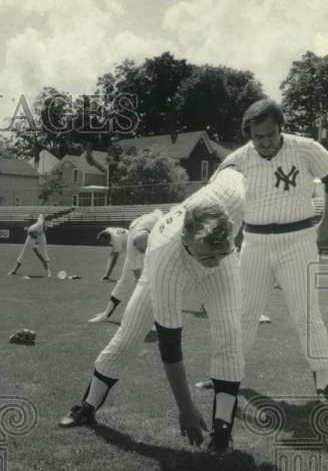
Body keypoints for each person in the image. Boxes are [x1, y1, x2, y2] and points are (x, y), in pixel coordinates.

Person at [59, 169, 246, 454]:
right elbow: (170, 345)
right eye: (209, 256)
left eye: (222, 251)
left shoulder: (232, 196)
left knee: (229, 335)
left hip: (216, 249)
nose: (215, 262)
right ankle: (88, 405)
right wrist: (185, 407)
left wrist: (229, 247)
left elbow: (237, 168)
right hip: (167, 265)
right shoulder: (165, 259)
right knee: (128, 337)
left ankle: (222, 431)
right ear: (186, 239)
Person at [210, 98, 328, 401]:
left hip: (298, 240)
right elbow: (216, 196)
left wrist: (327, 222)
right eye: (259, 136)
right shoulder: (236, 160)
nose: (266, 141)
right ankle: (227, 377)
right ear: (249, 134)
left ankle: (324, 384)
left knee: (306, 314)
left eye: (271, 133)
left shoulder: (304, 147)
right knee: (243, 314)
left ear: (281, 128)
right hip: (254, 243)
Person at [88, 209, 163, 323]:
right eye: (143, 250)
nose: (144, 253)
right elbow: (140, 280)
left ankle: (156, 318)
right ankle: (106, 314)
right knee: (126, 281)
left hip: (155, 239)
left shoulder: (156, 222)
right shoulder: (133, 251)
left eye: (146, 249)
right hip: (136, 239)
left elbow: (159, 213)